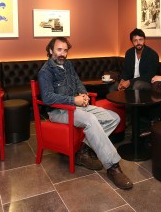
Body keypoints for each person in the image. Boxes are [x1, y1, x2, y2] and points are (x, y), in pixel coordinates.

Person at [38, 37, 133, 190]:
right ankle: (113, 166)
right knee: (90, 119)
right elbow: (48, 97)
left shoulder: (68, 65)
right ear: (51, 51)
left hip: (76, 107)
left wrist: (84, 95)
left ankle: (83, 151)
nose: (62, 54)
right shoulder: (45, 71)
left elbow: (77, 82)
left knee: (113, 118)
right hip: (58, 111)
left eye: (65, 50)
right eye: (59, 50)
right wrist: (73, 100)